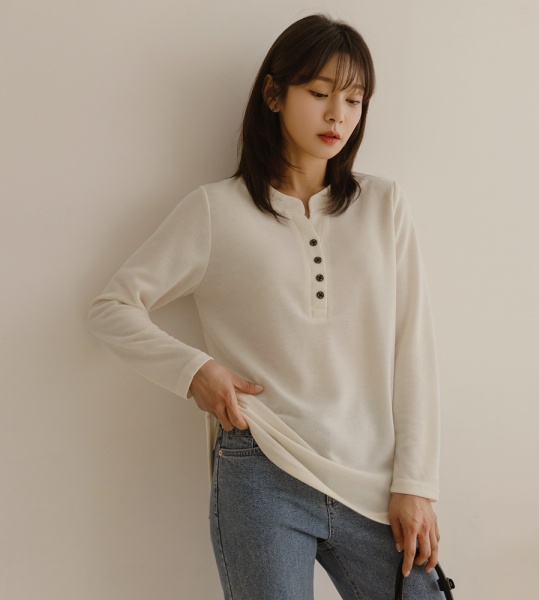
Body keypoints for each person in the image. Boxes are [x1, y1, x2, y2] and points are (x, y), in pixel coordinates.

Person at [88, 14, 442, 600]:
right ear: (274, 95)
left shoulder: (384, 206)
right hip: (261, 469)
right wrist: (194, 371)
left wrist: (417, 484)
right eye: (320, 93)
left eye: (354, 100)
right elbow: (111, 308)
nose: (338, 116)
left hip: (373, 482)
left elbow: (414, 351)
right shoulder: (214, 211)